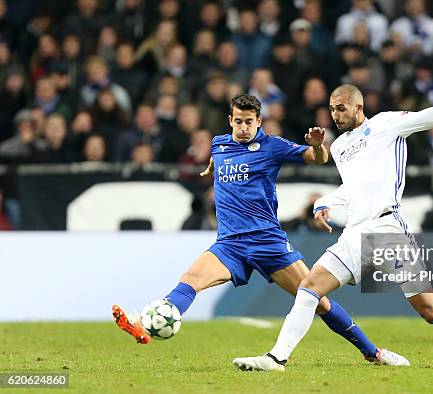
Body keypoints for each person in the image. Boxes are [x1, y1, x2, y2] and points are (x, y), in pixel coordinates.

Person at [233, 85, 433, 371]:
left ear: (359, 108)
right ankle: (276, 358)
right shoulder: (339, 147)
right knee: (309, 287)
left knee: (431, 311)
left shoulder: (387, 124)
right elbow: (353, 188)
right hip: (354, 233)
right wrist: (324, 201)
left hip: (387, 230)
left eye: (341, 108)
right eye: (332, 109)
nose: (335, 114)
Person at [112, 94, 407, 367]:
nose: (243, 127)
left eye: (249, 122)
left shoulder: (272, 146)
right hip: (229, 244)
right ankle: (146, 323)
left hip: (268, 242)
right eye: (238, 121)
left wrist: (318, 146)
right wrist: (213, 166)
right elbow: (222, 159)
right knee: (191, 279)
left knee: (319, 300)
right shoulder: (219, 144)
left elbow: (318, 158)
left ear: (259, 122)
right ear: (230, 121)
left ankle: (373, 352)